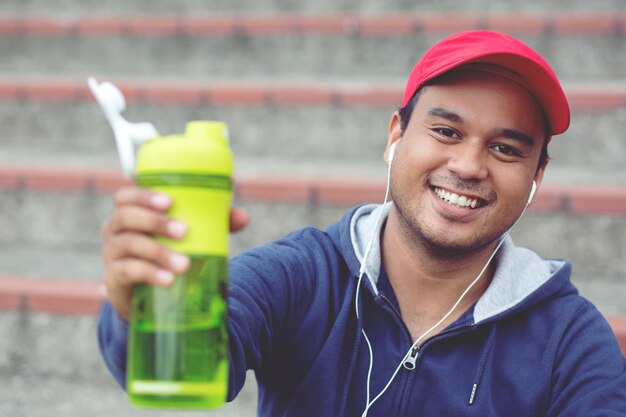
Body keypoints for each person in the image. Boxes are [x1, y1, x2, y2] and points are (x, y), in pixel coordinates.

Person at [98, 30, 626, 416]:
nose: (468, 166)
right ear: (395, 136)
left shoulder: (570, 341)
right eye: (445, 131)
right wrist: (144, 304)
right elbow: (195, 365)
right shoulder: (305, 274)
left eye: (506, 148)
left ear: (538, 175)